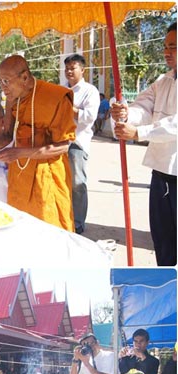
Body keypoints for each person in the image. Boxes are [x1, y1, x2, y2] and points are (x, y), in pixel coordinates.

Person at [111, 22, 177, 266]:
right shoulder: (163, 81)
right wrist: (125, 112)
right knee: (163, 242)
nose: (167, 52)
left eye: (173, 46)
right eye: (165, 47)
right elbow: (143, 106)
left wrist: (138, 132)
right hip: (160, 173)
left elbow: (175, 125)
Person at [0, 55, 76, 230]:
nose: (3, 87)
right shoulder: (14, 98)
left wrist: (20, 153)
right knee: (20, 228)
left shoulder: (55, 97)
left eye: (6, 81)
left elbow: (63, 146)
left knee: (48, 229)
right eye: (0, 81)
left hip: (46, 174)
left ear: (24, 77)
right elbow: (8, 135)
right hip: (20, 175)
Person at [64, 54, 100, 234]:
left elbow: (89, 118)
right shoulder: (61, 90)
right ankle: (63, 218)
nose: (69, 71)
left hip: (77, 143)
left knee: (78, 184)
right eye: (67, 68)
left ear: (83, 70)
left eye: (73, 68)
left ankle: (78, 223)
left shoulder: (90, 91)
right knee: (61, 182)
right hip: (60, 142)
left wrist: (70, 109)